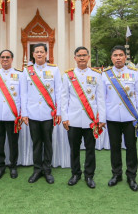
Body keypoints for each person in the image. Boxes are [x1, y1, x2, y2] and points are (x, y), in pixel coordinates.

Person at [102, 45, 138, 191]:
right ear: (111, 58)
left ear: (125, 57)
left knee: (131, 147)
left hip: (130, 118)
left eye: (121, 55)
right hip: (112, 117)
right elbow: (102, 98)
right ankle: (116, 174)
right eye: (115, 55)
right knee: (114, 147)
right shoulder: (105, 74)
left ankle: (131, 176)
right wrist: (102, 118)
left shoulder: (134, 73)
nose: (118, 58)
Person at [61, 47, 106, 188]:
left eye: (84, 55)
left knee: (90, 149)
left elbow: (100, 99)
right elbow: (64, 98)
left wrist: (102, 119)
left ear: (88, 57)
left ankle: (89, 175)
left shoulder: (97, 75)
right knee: (74, 149)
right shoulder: (68, 75)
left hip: (90, 120)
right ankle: (75, 173)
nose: (81, 58)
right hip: (73, 119)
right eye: (79, 55)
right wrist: (64, 117)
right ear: (74, 58)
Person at [21, 43, 62, 184]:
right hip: (32, 114)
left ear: (46, 54)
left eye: (41, 51)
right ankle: (37, 169)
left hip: (48, 113)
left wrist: (59, 111)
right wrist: (24, 113)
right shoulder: (27, 71)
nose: (39, 54)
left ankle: (47, 170)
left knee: (48, 142)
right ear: (33, 54)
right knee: (36, 142)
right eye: (36, 52)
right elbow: (24, 94)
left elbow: (58, 92)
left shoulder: (54, 70)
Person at [0, 50, 24, 180]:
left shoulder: (19, 74)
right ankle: (0, 166)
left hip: (13, 115)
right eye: (2, 57)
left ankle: (13, 166)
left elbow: (22, 95)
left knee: (13, 143)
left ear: (12, 59)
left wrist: (21, 113)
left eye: (7, 57)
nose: (5, 59)